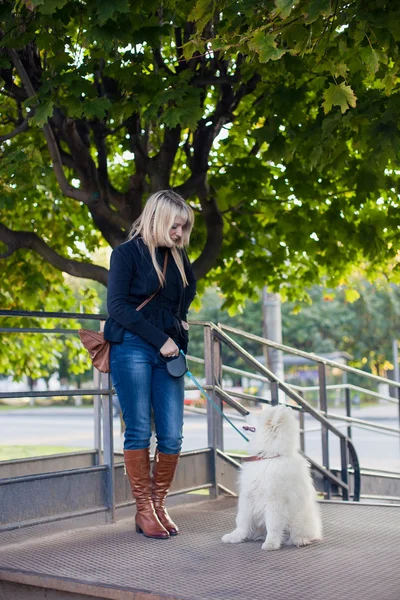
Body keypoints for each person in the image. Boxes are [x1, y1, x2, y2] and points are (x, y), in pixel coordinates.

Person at [104, 190, 196, 539]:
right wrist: (162, 339)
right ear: (158, 219)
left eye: (183, 227)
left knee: (172, 435)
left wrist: (180, 334)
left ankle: (159, 504)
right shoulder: (126, 255)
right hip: (132, 349)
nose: (179, 233)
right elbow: (118, 308)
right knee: (139, 429)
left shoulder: (178, 258)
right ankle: (144, 510)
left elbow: (184, 301)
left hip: (168, 352)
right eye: (175, 226)